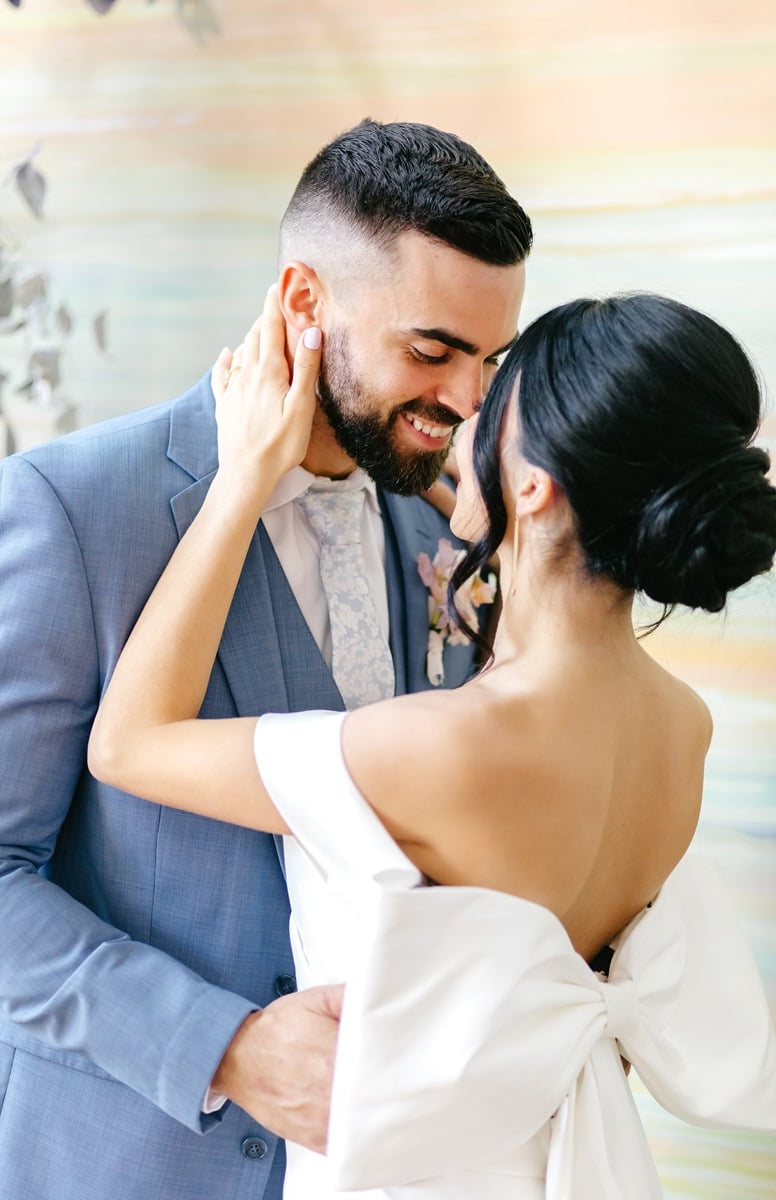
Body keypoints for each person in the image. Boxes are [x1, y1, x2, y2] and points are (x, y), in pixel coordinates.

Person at [89, 287, 776, 1199]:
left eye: (494, 407)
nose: (461, 413)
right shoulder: (680, 724)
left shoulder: (440, 749)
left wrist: (247, 472)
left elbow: (130, 743)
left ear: (534, 486)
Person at [0, 119, 531, 1200]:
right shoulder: (67, 512)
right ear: (303, 304)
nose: (465, 401)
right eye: (430, 351)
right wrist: (224, 1046)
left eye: (486, 360)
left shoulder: (441, 534)